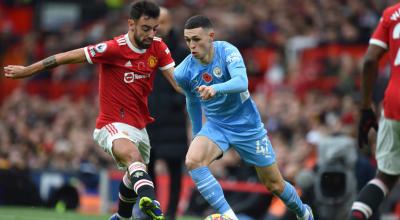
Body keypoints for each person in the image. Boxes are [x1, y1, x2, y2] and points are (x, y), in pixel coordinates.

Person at [3, 1, 181, 220]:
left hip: (140, 126)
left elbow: (178, 82)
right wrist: (28, 70)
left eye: (154, 29)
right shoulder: (113, 48)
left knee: (134, 169)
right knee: (133, 158)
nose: (151, 34)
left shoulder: (158, 47)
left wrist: (208, 89)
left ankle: (122, 217)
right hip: (111, 123)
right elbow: (64, 57)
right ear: (131, 25)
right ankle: (152, 203)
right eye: (146, 29)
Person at [173, 15, 314, 220]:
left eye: (196, 39)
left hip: (247, 126)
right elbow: (192, 101)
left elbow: (242, 82)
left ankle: (303, 212)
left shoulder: (227, 51)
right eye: (188, 40)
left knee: (274, 184)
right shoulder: (183, 71)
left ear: (211, 37)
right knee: (193, 160)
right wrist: (196, 133)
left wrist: (215, 88)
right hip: (217, 125)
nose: (192, 45)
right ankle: (230, 216)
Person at [348, 3, 400, 220]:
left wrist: (366, 106)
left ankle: (357, 215)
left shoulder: (392, 14)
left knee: (385, 177)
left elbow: (370, 60)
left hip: (394, 102)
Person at [147, 7, 188, 220]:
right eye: (155, 23)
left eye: (162, 22)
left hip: (173, 121)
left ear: (170, 23)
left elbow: (189, 82)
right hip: (149, 119)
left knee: (174, 169)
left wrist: (177, 101)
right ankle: (151, 211)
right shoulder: (144, 50)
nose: (158, 27)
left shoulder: (181, 51)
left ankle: (171, 213)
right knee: (148, 167)